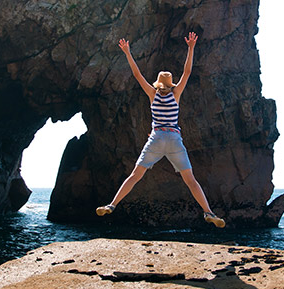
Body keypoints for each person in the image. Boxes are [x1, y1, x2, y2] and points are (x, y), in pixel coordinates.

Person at [96, 32, 225, 228]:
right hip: (173, 139)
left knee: (135, 176)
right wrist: (191, 48)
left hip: (156, 138)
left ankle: (112, 205)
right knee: (191, 181)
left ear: (157, 84)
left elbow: (137, 75)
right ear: (171, 84)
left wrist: (127, 53)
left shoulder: (152, 94)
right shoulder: (176, 93)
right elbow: (187, 72)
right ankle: (208, 212)